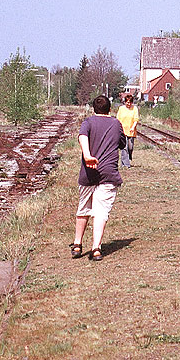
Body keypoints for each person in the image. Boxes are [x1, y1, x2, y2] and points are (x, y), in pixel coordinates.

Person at [71, 95, 126, 261]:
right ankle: (96, 248)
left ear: (93, 109)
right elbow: (122, 144)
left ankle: (77, 244)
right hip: (108, 173)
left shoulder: (87, 122)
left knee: (83, 208)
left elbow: (82, 136)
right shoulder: (116, 123)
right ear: (110, 109)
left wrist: (87, 155)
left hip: (88, 172)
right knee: (101, 211)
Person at [116, 94, 139, 168]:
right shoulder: (121, 109)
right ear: (125, 102)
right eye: (127, 102)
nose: (128, 104)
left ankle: (127, 159)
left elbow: (136, 119)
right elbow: (118, 119)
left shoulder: (134, 109)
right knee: (124, 147)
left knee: (130, 147)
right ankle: (126, 164)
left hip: (131, 131)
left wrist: (133, 127)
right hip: (122, 130)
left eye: (130, 102)